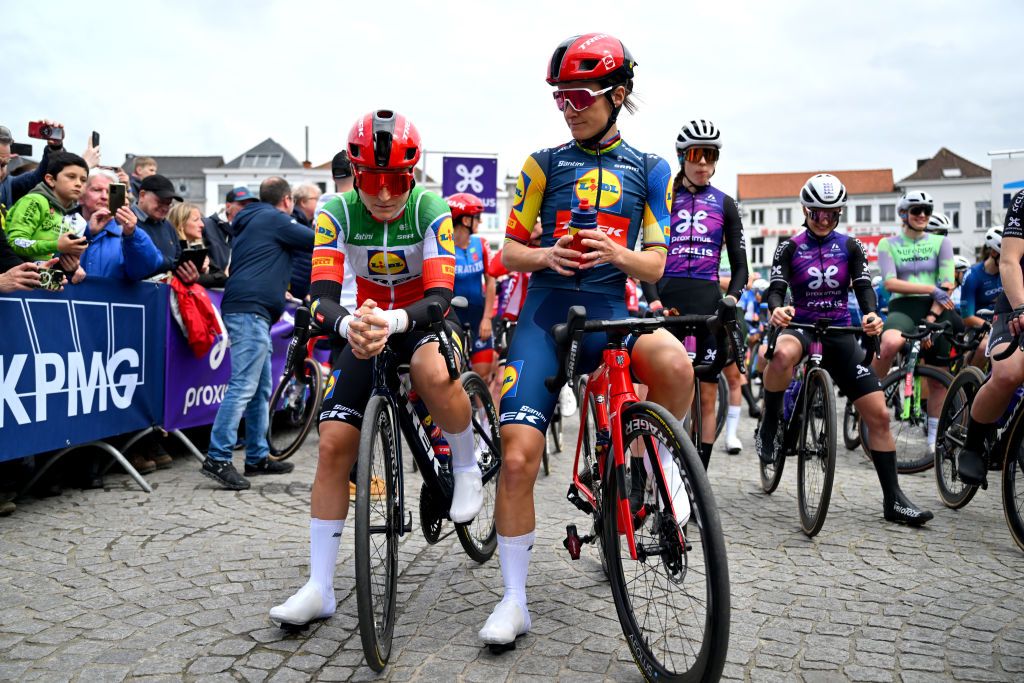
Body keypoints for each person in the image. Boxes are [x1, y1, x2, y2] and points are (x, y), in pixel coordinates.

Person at [478, 33, 693, 647]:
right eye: (559, 97)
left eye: (580, 95)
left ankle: (658, 464)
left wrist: (619, 255)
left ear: (617, 95)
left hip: (610, 313)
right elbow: (508, 250)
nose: (568, 107)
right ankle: (514, 599)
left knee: (675, 363)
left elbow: (656, 266)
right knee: (518, 457)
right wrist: (545, 253)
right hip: (546, 317)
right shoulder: (542, 164)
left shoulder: (652, 170)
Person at [269, 110, 483, 629]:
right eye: (372, 181)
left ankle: (465, 459)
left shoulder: (431, 207)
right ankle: (320, 586)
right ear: (355, 176)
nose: (384, 194)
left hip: (421, 318)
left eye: (396, 182)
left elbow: (438, 300)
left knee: (432, 372)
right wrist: (350, 328)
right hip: (363, 324)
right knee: (334, 442)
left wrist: (393, 319)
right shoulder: (336, 211)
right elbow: (320, 299)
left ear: (411, 178)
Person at [756, 174, 933, 526]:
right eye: (817, 213)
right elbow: (776, 286)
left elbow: (864, 285)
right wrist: (777, 307)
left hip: (839, 330)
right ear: (805, 210)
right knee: (779, 356)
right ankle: (771, 421)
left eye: (831, 214)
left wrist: (870, 314)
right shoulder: (789, 247)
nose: (823, 220)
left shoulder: (850, 246)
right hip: (802, 326)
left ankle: (893, 499)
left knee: (880, 415)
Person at [642, 119, 750, 462]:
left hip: (707, 300)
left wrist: (731, 299)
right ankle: (652, 461)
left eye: (711, 156)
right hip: (669, 300)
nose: (703, 164)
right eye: (696, 156)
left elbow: (741, 265)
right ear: (682, 157)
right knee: (661, 388)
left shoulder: (726, 203)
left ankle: (699, 471)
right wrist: (654, 299)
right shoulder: (661, 198)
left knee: (706, 392)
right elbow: (646, 256)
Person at [202, 177, 312, 489]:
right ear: (288, 200)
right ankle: (218, 457)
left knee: (261, 388)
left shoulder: (253, 220)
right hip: (249, 311)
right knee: (243, 387)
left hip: (252, 309)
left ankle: (257, 456)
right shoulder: (274, 218)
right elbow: (317, 240)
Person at [870, 190, 960, 457]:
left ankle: (933, 439)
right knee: (889, 343)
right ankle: (867, 393)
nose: (922, 215)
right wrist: (931, 289)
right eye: (916, 210)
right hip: (903, 307)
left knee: (938, 381)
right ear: (903, 215)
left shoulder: (940, 243)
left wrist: (931, 316)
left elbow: (948, 283)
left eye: (926, 211)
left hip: (936, 310)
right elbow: (890, 282)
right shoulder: (889, 244)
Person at [957, 190, 1024, 486]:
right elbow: (1009, 262)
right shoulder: (1023, 200)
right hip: (1016, 301)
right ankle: (972, 443)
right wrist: (1021, 307)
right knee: (1008, 374)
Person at [5, 151, 89, 282]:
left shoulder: (72, 217)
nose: (78, 183)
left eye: (83, 180)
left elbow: (46, 259)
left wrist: (69, 268)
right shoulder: (34, 201)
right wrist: (56, 245)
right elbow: (14, 242)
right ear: (50, 179)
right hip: (13, 281)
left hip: (38, 281)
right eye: (71, 177)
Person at [75, 169, 164, 280]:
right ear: (80, 197)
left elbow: (147, 267)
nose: (104, 196)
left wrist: (133, 234)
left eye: (109, 192)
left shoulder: (126, 235)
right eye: (97, 190)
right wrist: (87, 233)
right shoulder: (67, 226)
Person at [447, 192, 497, 380]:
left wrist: (487, 318)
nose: (481, 222)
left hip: (478, 317)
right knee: (452, 375)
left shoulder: (482, 244)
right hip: (453, 317)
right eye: (478, 218)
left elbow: (491, 281)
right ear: (466, 220)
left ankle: (480, 410)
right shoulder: (445, 246)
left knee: (482, 376)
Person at [203, 186, 259, 280]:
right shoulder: (206, 225)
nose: (247, 209)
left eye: (250, 206)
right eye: (243, 204)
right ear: (228, 207)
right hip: (211, 288)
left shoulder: (252, 233)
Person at [170, 202, 224, 287]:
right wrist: (200, 275)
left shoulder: (198, 248)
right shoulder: (172, 249)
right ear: (181, 223)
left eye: (201, 220)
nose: (202, 225)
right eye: (196, 220)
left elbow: (223, 278)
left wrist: (205, 272)